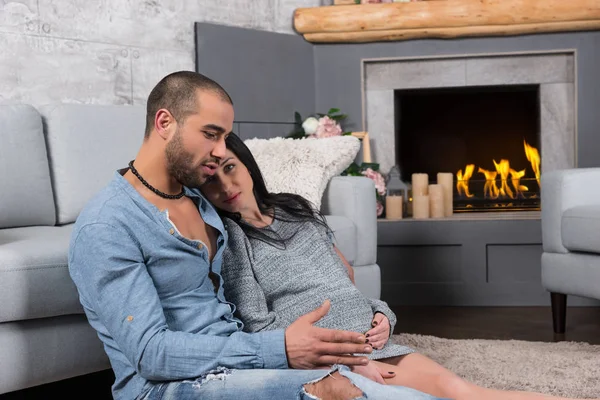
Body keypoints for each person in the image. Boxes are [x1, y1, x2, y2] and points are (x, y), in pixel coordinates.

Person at [68, 70, 447, 400]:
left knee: (389, 390)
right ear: (165, 122)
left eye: (225, 138)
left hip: (238, 363)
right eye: (211, 135)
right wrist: (279, 349)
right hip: (168, 386)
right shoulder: (108, 225)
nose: (220, 152)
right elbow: (150, 353)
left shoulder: (200, 201)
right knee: (335, 389)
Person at [199, 132, 600, 400]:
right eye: (211, 182)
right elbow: (260, 329)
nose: (226, 186)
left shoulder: (296, 210)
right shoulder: (233, 244)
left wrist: (382, 314)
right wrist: (349, 364)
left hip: (374, 342)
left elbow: (344, 285)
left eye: (230, 168)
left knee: (463, 391)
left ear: (247, 165)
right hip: (329, 360)